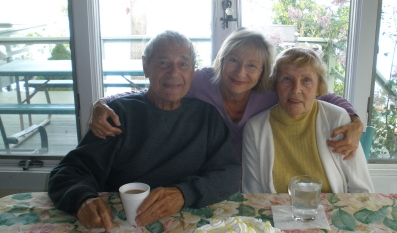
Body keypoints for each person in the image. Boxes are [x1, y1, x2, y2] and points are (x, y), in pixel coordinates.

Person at [48, 31, 241, 232]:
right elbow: (68, 172)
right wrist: (83, 200)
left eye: (183, 64)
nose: (173, 72)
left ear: (192, 71)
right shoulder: (119, 115)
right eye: (163, 63)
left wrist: (184, 193)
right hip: (122, 225)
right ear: (145, 66)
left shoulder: (206, 116)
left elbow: (230, 173)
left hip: (191, 228)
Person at [89, 28, 363, 160]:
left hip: (257, 171)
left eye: (252, 65)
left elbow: (320, 95)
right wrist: (101, 103)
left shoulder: (270, 91)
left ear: (262, 71)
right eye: (233, 60)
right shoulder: (199, 80)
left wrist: (354, 119)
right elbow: (151, 89)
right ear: (221, 60)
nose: (241, 72)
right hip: (210, 168)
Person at [242, 47, 374, 194]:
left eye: (306, 80)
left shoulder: (338, 120)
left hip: (331, 212)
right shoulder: (255, 128)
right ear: (275, 84)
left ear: (318, 87)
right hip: (274, 213)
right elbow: (252, 196)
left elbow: (362, 190)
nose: (296, 89)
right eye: (287, 79)